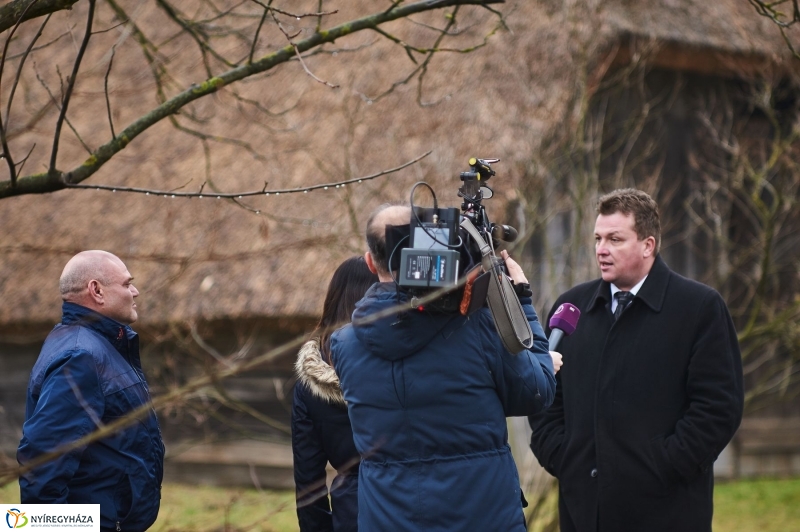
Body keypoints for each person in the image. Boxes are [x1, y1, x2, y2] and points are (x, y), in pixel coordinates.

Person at [330, 204, 560, 531]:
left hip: (388, 521)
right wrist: (521, 302)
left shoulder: (344, 344)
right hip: (482, 519)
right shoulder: (477, 325)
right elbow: (536, 392)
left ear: (369, 262)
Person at [528, 188, 744, 532]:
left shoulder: (699, 308)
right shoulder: (572, 308)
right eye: (598, 238)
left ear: (648, 245)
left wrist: (664, 466)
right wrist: (565, 458)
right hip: (584, 513)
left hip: (668, 513)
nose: (601, 249)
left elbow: (719, 408)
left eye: (615, 239)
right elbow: (545, 396)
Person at [17, 250, 165, 532]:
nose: (135, 291)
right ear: (96, 290)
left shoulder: (101, 347)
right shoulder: (80, 356)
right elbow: (44, 459)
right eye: (126, 283)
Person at [292, 256, 378, 532]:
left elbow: (309, 482)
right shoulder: (400, 367)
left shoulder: (308, 386)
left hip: (351, 512)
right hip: (408, 503)